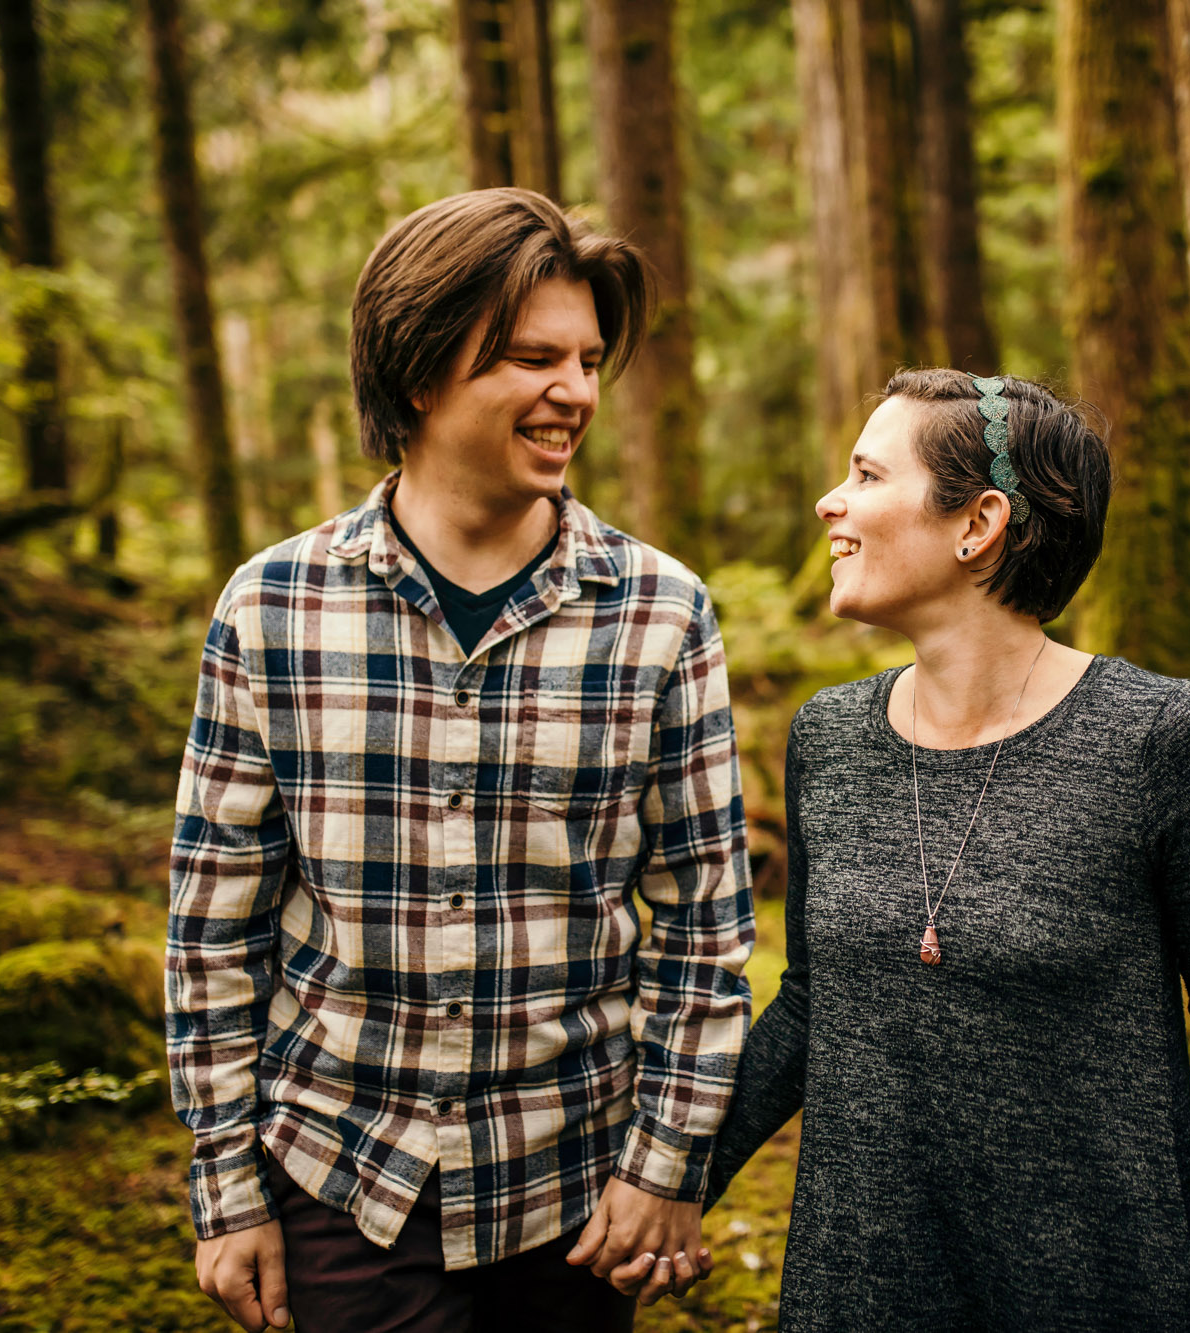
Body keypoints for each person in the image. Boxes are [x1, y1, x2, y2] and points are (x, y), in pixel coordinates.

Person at [166, 188, 752, 1333]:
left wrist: (667, 1162)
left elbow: (703, 922)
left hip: (576, 1193)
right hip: (344, 1181)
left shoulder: (659, 613)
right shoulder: (271, 606)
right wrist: (226, 1189)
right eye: (532, 358)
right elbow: (211, 927)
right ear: (421, 370)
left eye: (586, 359)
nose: (575, 392)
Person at [703, 369, 1190, 1331]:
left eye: (867, 474)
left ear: (978, 523)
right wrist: (666, 1181)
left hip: (1107, 1291)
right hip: (861, 1295)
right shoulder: (827, 738)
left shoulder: (1158, 739)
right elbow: (814, 1003)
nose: (831, 499)